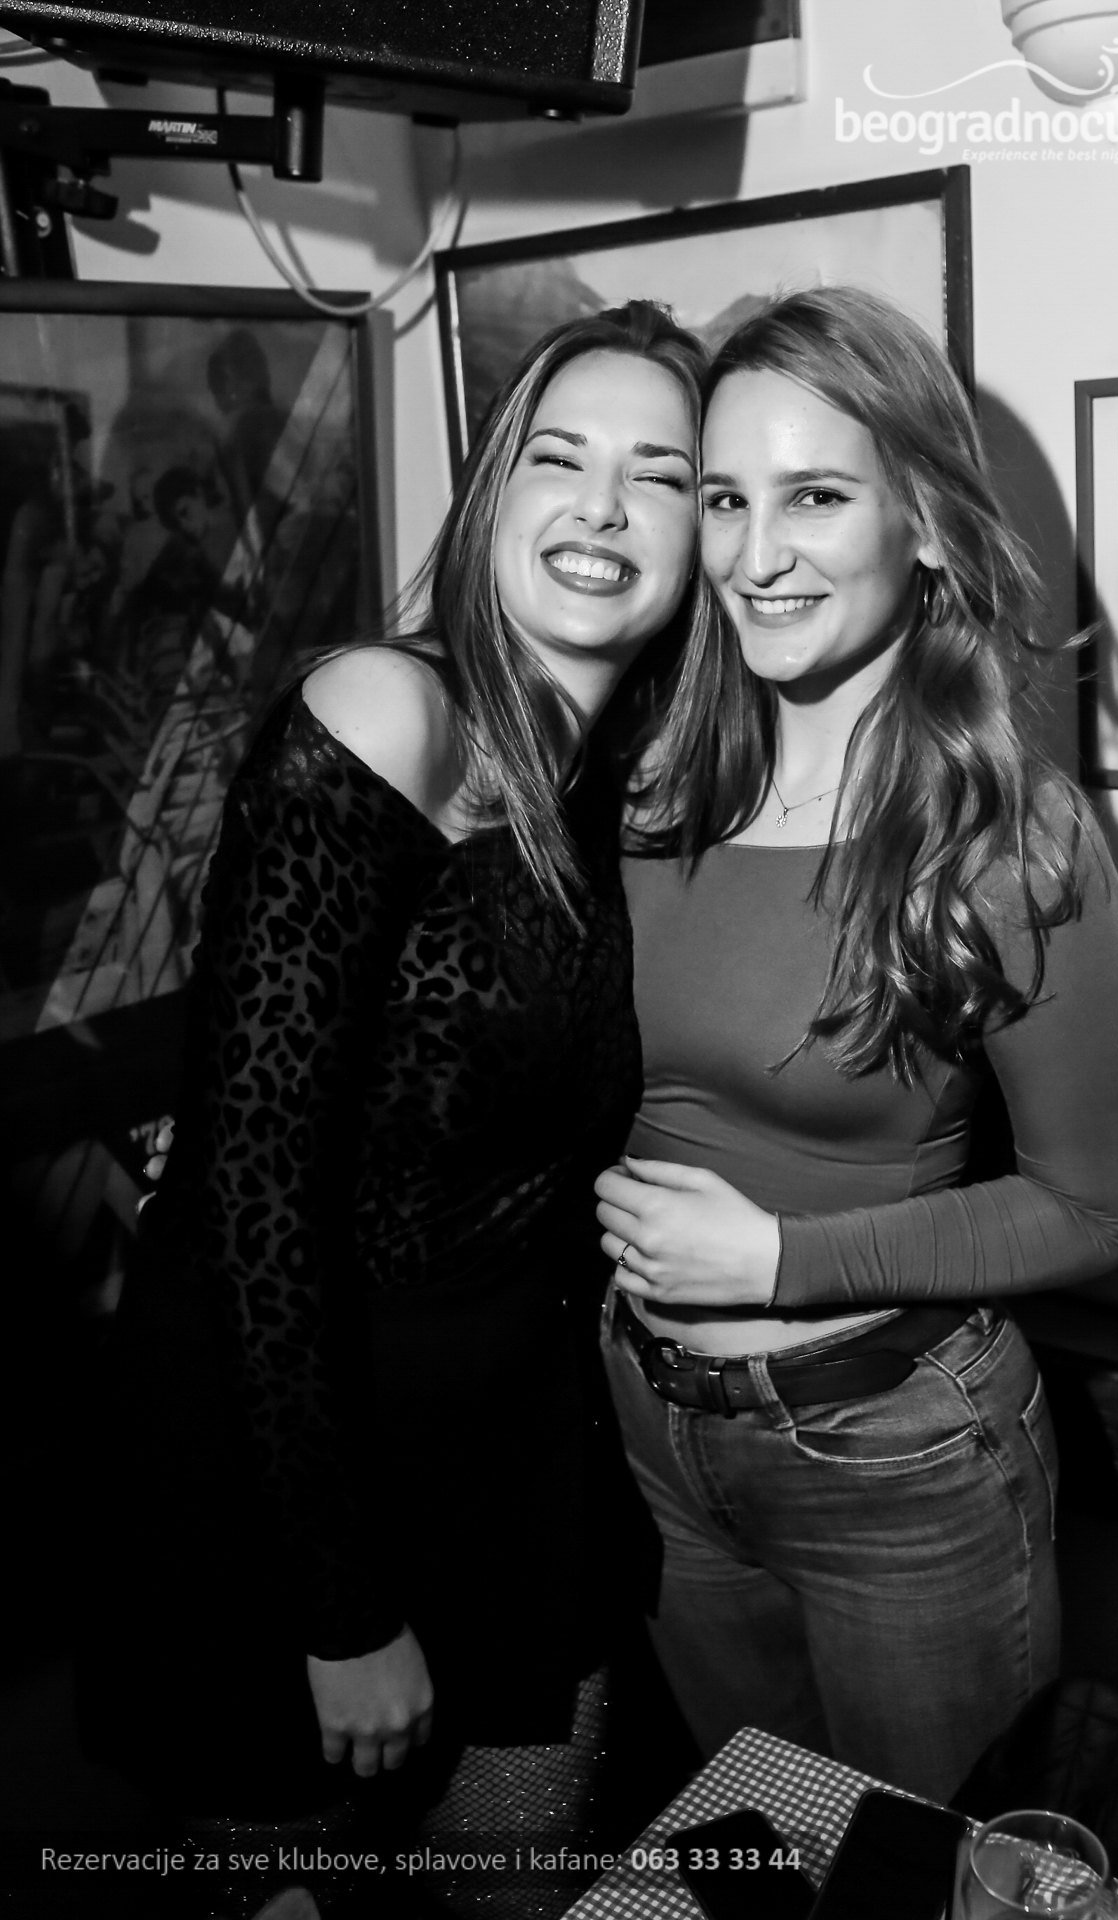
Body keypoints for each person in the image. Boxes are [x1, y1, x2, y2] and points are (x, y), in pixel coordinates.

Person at [75, 300, 704, 1916]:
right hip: (289, 1503)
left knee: (518, 1879)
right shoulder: (386, 713)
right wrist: (342, 1611)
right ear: (492, 491)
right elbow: (247, 1199)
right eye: (560, 457)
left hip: (510, 1486)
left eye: (659, 475)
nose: (603, 507)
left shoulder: (602, 771)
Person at [594, 287, 1118, 1805]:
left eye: (815, 496)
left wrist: (782, 1261)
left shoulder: (1008, 841)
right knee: (764, 1853)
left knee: (925, 1870)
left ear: (924, 522)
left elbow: (1093, 1209)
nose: (753, 554)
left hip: (893, 1454)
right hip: (651, 1430)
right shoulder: (650, 789)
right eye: (724, 498)